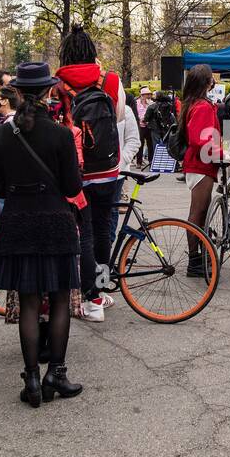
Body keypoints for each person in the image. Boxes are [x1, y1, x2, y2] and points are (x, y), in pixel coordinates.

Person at [0, 62, 84, 408]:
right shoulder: (60, 134)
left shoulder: (0, 135)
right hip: (55, 221)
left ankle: (31, 378)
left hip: (17, 222)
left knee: (28, 301)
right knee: (58, 299)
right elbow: (73, 185)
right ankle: (56, 371)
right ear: (48, 91)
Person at [56, 25, 127, 321]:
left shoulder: (58, 83)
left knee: (82, 233)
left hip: (77, 170)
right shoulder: (109, 79)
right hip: (109, 168)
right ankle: (100, 288)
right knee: (102, 232)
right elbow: (120, 114)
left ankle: (91, 298)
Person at [179, 64, 221, 276]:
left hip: (198, 163)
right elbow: (199, 139)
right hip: (201, 164)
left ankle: (197, 257)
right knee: (197, 213)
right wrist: (221, 153)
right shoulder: (202, 106)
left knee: (199, 212)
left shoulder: (193, 103)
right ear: (206, 82)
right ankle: (194, 261)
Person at [112, 84, 142, 240]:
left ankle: (107, 253)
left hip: (116, 173)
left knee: (111, 212)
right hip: (93, 173)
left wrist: (120, 161)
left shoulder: (126, 111)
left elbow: (134, 141)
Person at [136, 86, 155, 165]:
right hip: (140, 126)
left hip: (148, 125)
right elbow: (134, 113)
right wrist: (140, 119)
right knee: (140, 144)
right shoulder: (136, 103)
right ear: (142, 95)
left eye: (149, 94)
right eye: (147, 94)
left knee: (150, 143)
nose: (149, 96)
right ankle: (139, 162)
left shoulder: (151, 103)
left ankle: (151, 161)